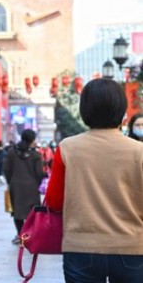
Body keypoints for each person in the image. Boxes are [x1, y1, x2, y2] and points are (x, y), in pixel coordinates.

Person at [46, 79, 143, 282]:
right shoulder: (139, 151)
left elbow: (54, 202)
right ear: (121, 109)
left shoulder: (67, 148)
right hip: (133, 247)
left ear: (84, 110)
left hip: (81, 247)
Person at [3, 129, 44, 245]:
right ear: (32, 140)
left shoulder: (12, 152)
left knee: (17, 212)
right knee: (33, 212)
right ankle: (31, 234)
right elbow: (39, 173)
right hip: (32, 187)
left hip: (16, 186)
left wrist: (11, 181)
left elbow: (6, 169)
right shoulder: (35, 155)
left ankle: (21, 235)